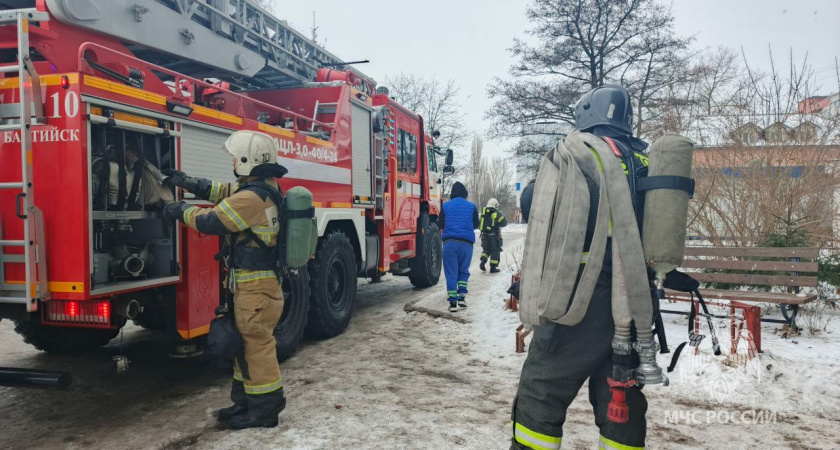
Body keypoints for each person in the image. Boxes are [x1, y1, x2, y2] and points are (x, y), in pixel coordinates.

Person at [511, 85, 651, 450]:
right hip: (636, 302)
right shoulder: (645, 160)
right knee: (621, 397)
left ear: (585, 115)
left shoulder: (577, 153)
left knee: (542, 390)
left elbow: (533, 202)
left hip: (580, 299)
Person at [161, 130, 288, 430]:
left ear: (248, 159)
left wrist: (178, 210)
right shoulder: (264, 188)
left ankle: (265, 410)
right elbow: (222, 191)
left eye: (235, 156)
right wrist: (187, 182)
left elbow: (212, 221)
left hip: (256, 290)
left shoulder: (252, 198)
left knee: (256, 347)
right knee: (243, 346)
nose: (232, 160)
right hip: (254, 288)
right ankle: (245, 403)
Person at [437, 181, 479, 312]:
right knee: (463, 271)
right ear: (465, 194)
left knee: (451, 273)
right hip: (466, 244)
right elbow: (476, 225)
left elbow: (440, 224)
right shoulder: (472, 207)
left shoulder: (445, 206)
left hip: (450, 244)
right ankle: (462, 298)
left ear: (452, 194)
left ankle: (453, 303)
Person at [479, 198, 508, 273]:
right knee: (495, 251)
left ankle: (483, 261)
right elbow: (504, 223)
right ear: (495, 205)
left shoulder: (483, 213)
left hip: (484, 236)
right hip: (493, 236)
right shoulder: (497, 213)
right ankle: (493, 268)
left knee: (486, 250)